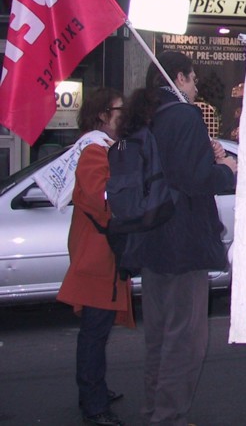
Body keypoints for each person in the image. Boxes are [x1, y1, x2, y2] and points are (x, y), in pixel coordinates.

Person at [120, 51, 237, 426]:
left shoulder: (145, 117)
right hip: (183, 239)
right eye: (192, 78)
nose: (196, 85)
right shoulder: (184, 116)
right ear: (179, 78)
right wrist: (226, 170)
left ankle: (153, 408)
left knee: (158, 334)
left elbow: (173, 168)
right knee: (185, 339)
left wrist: (208, 156)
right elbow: (195, 180)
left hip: (151, 237)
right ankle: (168, 416)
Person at [57, 88, 134, 426]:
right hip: (96, 257)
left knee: (97, 331)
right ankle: (93, 403)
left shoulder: (100, 148)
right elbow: (100, 197)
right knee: (94, 332)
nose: (125, 115)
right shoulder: (94, 149)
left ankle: (95, 391)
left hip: (99, 254)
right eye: (120, 109)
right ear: (103, 114)